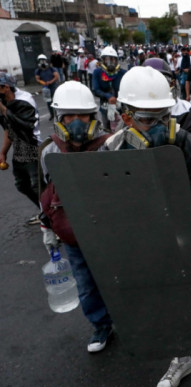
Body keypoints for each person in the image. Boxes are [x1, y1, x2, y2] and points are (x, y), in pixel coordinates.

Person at [103, 66, 191, 387]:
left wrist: (173, 213)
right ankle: (180, 358)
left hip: (188, 240)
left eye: (163, 116)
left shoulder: (185, 144)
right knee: (166, 303)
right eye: (147, 118)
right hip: (145, 246)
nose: (158, 127)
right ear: (125, 117)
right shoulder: (112, 151)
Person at [39, 81, 115, 353]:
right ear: (59, 118)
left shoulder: (109, 146)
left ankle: (128, 319)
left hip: (108, 229)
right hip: (73, 233)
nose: (76, 122)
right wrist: (47, 228)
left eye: (82, 116)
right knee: (85, 284)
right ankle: (100, 325)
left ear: (93, 117)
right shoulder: (50, 150)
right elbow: (46, 192)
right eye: (69, 116)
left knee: (118, 277)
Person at [0, 72, 42, 224]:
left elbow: (24, 127)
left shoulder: (25, 100)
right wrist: (3, 152)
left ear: (5, 88)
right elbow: (8, 129)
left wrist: (3, 109)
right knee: (22, 185)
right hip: (19, 146)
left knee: (38, 185)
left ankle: (53, 219)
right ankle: (45, 213)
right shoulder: (4, 100)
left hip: (31, 145)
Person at [91, 46, 127, 132]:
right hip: (105, 107)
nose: (110, 62)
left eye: (113, 59)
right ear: (103, 60)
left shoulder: (123, 73)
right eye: (107, 59)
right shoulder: (97, 72)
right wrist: (108, 96)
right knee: (107, 129)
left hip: (121, 108)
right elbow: (95, 89)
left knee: (123, 129)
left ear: (116, 60)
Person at [34, 54, 60, 121]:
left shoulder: (51, 69)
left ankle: (58, 114)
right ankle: (52, 114)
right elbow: (37, 79)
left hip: (53, 86)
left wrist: (51, 82)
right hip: (46, 88)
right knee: (48, 102)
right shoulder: (38, 70)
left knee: (56, 100)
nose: (42, 62)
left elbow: (56, 76)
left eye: (43, 60)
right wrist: (43, 82)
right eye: (40, 61)